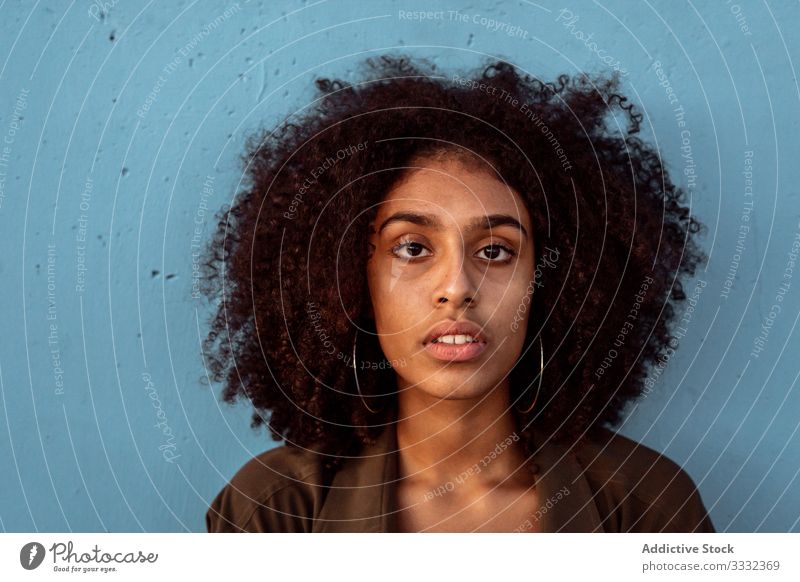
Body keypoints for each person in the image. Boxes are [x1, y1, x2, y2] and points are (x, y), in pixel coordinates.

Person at [199, 55, 714, 533]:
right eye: (413, 247)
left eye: (495, 252)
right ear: (353, 277)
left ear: (553, 281)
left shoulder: (649, 505)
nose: (457, 289)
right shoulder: (275, 509)